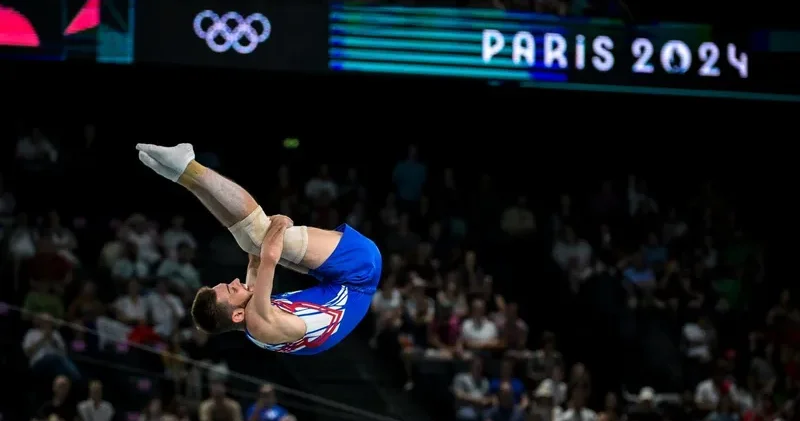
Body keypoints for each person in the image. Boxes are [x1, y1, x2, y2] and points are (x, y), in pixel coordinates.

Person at [136, 143, 382, 355]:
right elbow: (269, 256)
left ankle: (183, 177)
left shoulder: (250, 320)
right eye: (232, 289)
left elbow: (254, 259)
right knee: (259, 232)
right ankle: (189, 167)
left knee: (250, 240)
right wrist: (281, 222)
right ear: (237, 315)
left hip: (336, 280)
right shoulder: (260, 323)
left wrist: (266, 233)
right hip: (359, 271)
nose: (234, 281)